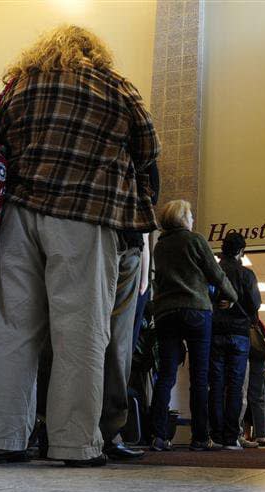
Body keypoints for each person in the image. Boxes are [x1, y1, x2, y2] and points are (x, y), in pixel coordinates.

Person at [0, 25, 159, 468]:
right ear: (96, 52)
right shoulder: (115, 87)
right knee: (80, 333)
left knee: (13, 329)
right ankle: (74, 444)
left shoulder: (22, 85)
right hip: (85, 216)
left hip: (18, 216)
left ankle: (1, 438)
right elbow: (149, 147)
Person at [150, 200, 237, 452]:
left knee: (165, 375)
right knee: (199, 377)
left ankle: (158, 436)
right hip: (196, 311)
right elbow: (215, 273)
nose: (192, 219)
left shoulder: (160, 246)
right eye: (190, 215)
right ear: (183, 218)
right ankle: (200, 438)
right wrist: (232, 296)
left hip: (166, 312)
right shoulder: (195, 240)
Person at [99, 161, 159, 461]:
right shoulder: (139, 140)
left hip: (85, 235)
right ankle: (108, 432)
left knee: (69, 336)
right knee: (116, 348)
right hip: (122, 244)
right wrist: (145, 275)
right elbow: (144, 215)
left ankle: (58, 427)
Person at [209, 233, 261, 450]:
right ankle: (231, 437)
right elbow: (255, 304)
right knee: (235, 386)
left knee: (216, 385)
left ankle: (216, 436)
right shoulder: (246, 274)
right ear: (241, 251)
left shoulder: (212, 271)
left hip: (215, 332)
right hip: (239, 334)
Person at [239, 318, 265, 447]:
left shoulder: (239, 317)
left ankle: (238, 434)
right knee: (258, 398)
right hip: (258, 359)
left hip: (242, 356)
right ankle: (260, 435)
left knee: (240, 395)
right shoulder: (255, 320)